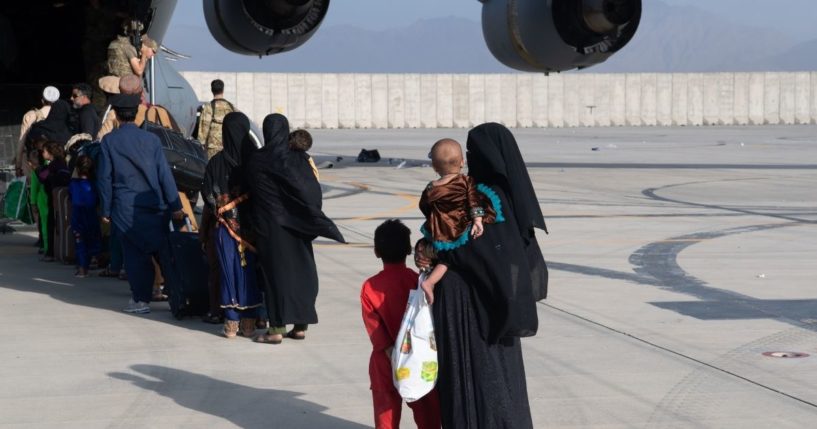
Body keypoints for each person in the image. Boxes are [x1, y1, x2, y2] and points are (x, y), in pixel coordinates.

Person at [415, 123, 547, 429]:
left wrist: (432, 251)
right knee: (501, 372)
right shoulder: (499, 193)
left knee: (470, 371)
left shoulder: (487, 195)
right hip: (497, 297)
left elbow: (471, 248)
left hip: (465, 298)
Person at [247, 114, 345, 344]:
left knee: (276, 278)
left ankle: (276, 330)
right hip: (299, 226)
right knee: (303, 273)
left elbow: (252, 190)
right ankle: (300, 326)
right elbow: (312, 190)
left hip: (271, 229)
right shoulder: (299, 159)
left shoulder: (257, 159)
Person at [97, 93, 185, 314]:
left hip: (125, 208)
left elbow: (104, 178)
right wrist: (175, 206)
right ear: (137, 114)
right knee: (163, 253)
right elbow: (165, 175)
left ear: (116, 114)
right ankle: (179, 295)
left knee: (135, 255)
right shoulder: (152, 140)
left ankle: (141, 300)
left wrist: (106, 209)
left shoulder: (109, 141)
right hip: (156, 206)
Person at [360, 219, 441, 429]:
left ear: (376, 251)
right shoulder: (419, 281)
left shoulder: (370, 286)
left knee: (386, 410)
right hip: (418, 357)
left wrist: (390, 351)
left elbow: (374, 328)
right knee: (426, 407)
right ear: (408, 249)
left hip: (385, 360)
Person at [201, 112, 263, 337]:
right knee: (250, 273)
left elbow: (207, 192)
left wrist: (221, 210)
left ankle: (231, 322)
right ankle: (249, 322)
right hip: (252, 230)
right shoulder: (256, 160)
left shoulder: (216, 161)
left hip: (224, 230)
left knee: (228, 272)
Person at [416, 138, 498, 305]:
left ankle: (430, 281)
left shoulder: (431, 187)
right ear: (462, 162)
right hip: (459, 228)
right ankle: (429, 282)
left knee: (444, 255)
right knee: (450, 258)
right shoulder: (466, 181)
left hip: (440, 229)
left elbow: (423, 206)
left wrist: (434, 219)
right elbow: (473, 200)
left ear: (434, 167)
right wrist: (477, 220)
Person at [37, 141, 71, 262]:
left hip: (55, 198)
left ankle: (51, 252)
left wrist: (43, 170)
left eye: (44, 151)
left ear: (50, 153)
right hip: (60, 198)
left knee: (52, 224)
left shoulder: (53, 165)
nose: (42, 153)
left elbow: (42, 177)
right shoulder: (62, 163)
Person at [69, 155, 102, 278]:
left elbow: (71, 198)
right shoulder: (94, 184)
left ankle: (82, 268)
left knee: (80, 242)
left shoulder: (73, 184)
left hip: (78, 216)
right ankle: (94, 256)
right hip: (92, 215)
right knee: (93, 237)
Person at [15, 86, 58, 177]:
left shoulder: (31, 116)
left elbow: (21, 142)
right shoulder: (63, 116)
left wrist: (18, 166)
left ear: (42, 100)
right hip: (55, 164)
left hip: (34, 162)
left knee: (33, 187)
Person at [197, 79, 236, 159]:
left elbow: (203, 130)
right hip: (228, 148)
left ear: (212, 90)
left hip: (213, 149)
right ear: (223, 90)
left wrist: (200, 145)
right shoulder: (231, 107)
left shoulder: (209, 107)